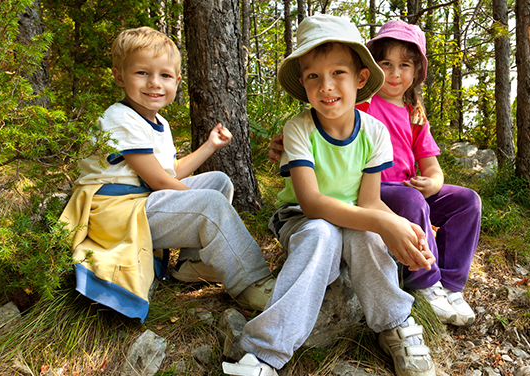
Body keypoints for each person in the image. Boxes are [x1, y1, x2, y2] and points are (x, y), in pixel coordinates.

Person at [222, 14, 437, 376]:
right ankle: (263, 351)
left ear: (361, 78)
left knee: (368, 234)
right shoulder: (299, 129)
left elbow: (368, 202)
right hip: (303, 219)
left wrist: (395, 225)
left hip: (354, 215)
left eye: (338, 73)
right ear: (303, 84)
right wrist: (386, 221)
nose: (326, 86)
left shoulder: (374, 132)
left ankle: (395, 324)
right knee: (324, 232)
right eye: (313, 77)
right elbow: (312, 203)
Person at [269, 20, 482, 326]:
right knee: (410, 200)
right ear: (369, 72)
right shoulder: (364, 105)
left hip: (410, 188)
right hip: (381, 189)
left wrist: (433, 182)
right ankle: (425, 280)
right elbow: (329, 127)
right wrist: (287, 143)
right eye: (387, 64)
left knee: (467, 201)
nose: (395, 74)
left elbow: (432, 165)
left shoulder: (415, 115)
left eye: (405, 65)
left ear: (416, 72)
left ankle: (451, 283)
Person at [59, 26, 275, 323]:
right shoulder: (120, 118)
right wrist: (208, 205)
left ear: (176, 81)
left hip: (142, 201)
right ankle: (251, 283)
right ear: (120, 76)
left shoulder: (158, 121)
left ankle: (191, 264)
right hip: (120, 214)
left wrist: (210, 146)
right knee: (210, 203)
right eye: (142, 73)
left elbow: (170, 171)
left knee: (218, 181)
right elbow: (160, 181)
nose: (154, 83)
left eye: (164, 75)